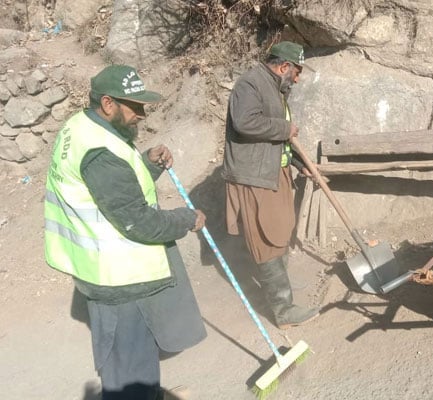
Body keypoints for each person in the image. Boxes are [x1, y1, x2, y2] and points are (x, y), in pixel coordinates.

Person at [44, 64, 207, 400]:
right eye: (134, 107)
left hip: (104, 269)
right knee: (127, 372)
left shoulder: (82, 127)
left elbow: (112, 191)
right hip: (119, 277)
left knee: (132, 364)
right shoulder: (101, 153)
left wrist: (146, 163)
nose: (141, 115)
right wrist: (185, 219)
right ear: (108, 104)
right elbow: (137, 221)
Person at [222, 41, 319, 329]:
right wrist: (284, 128)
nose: (298, 79)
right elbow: (245, 122)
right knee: (266, 239)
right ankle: (283, 310)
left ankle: (282, 290)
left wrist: (302, 167)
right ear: (284, 66)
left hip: (273, 173)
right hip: (254, 177)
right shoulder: (250, 83)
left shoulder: (275, 88)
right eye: (297, 72)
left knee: (279, 231)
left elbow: (281, 143)